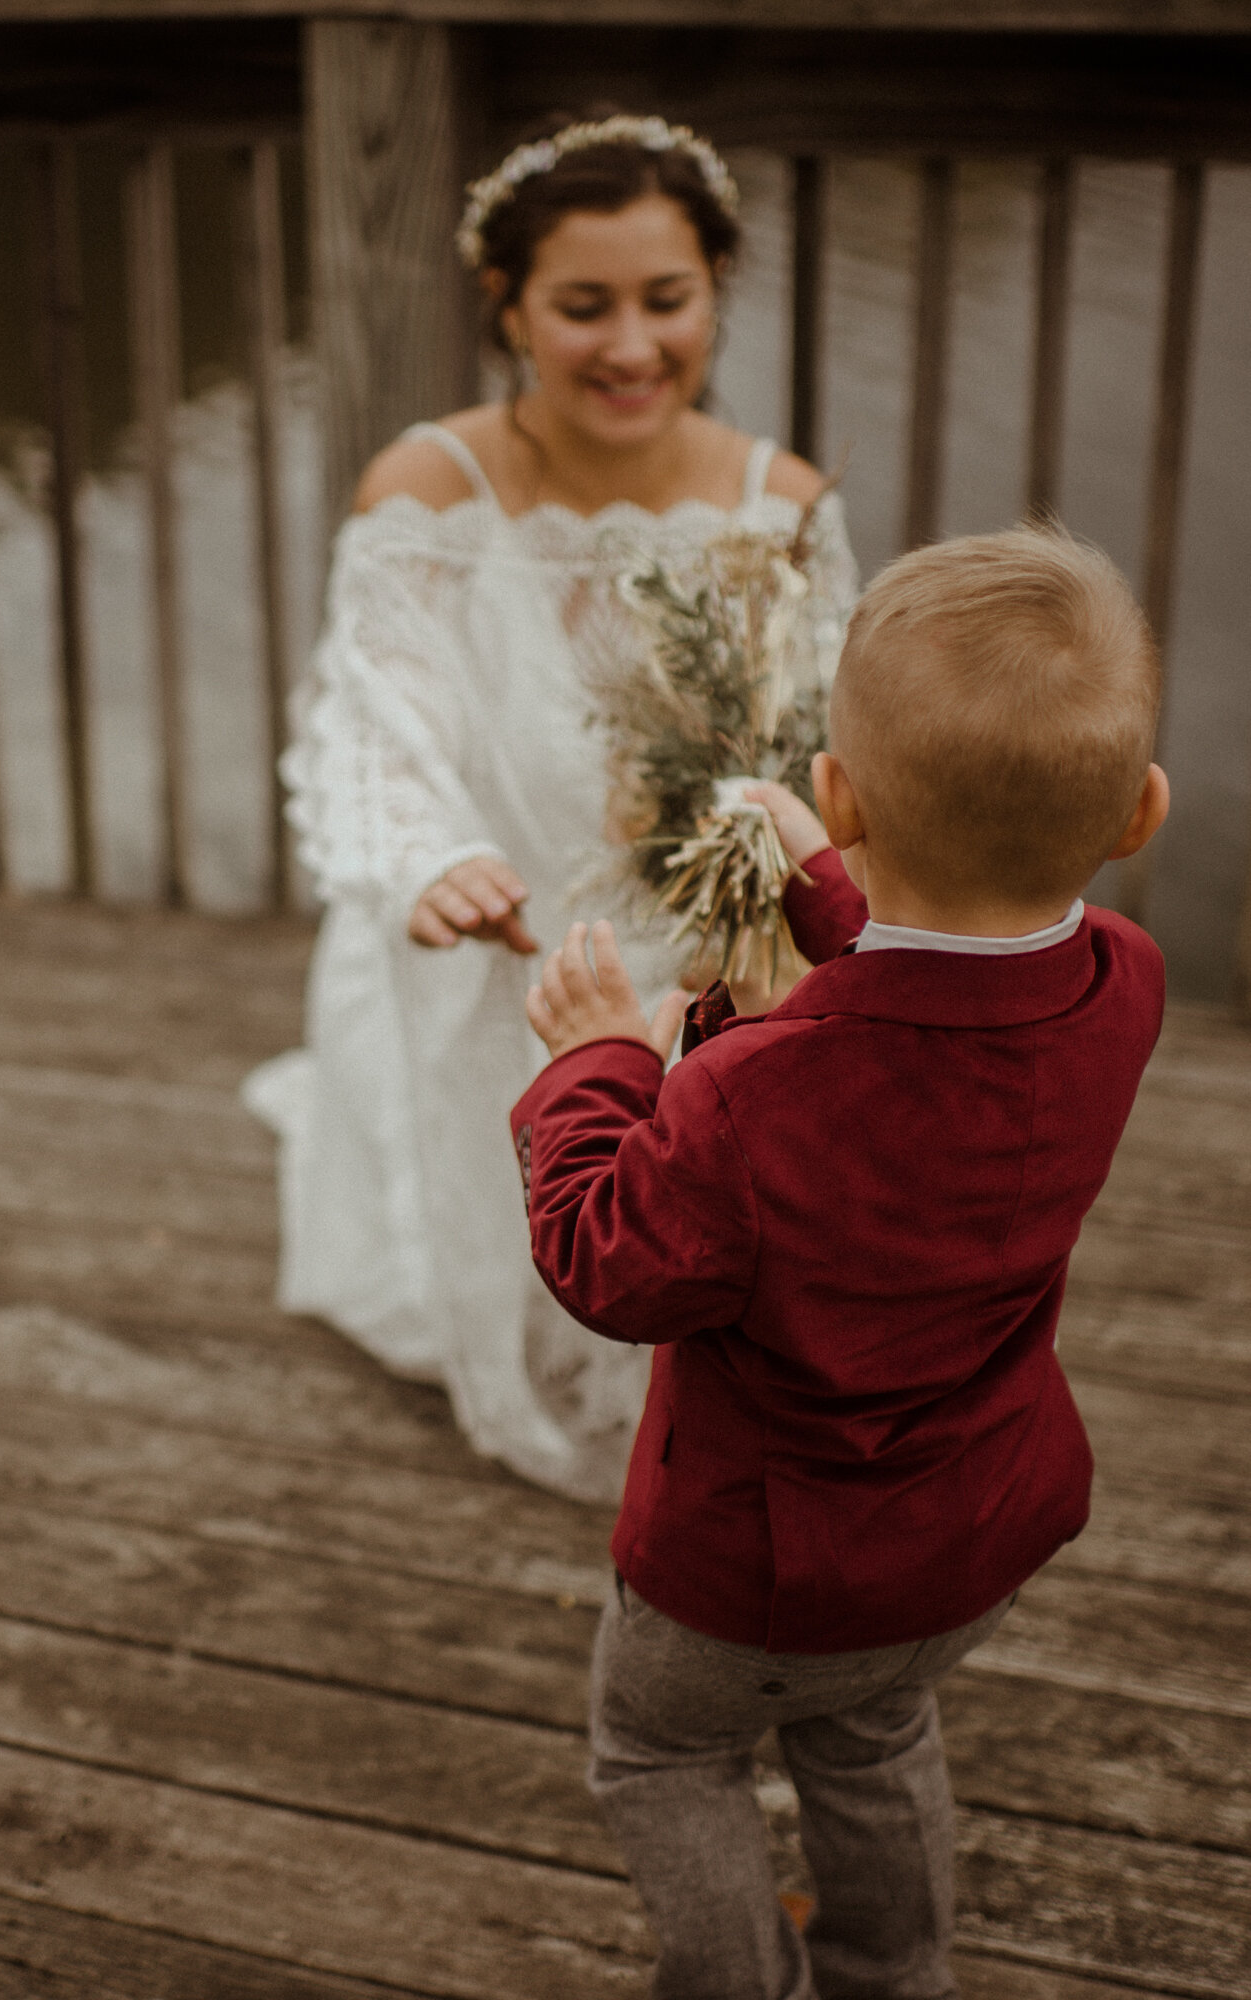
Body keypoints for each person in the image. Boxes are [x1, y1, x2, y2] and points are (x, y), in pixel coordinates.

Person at [511, 526, 1170, 1999]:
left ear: (837, 790)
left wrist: (599, 1066)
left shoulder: (749, 1091)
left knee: (662, 1760)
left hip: (749, 1574)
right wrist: (825, 901)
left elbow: (613, 1262)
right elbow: (949, 1004)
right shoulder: (1127, 985)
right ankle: (893, 1974)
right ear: (1140, 810)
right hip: (973, 1535)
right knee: (874, 1734)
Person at [244, 114, 857, 1502]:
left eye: (666, 299)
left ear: (714, 295)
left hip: (702, 948)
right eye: (584, 306)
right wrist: (431, 859)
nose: (631, 345)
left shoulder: (787, 508)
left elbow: (831, 754)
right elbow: (374, 721)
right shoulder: (425, 492)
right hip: (495, 926)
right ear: (510, 309)